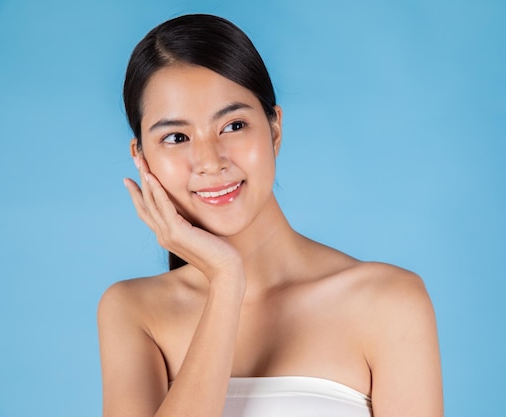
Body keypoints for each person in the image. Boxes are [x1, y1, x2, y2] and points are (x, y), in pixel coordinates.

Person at [98, 13, 443, 417]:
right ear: (141, 157)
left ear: (274, 129)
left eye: (234, 125)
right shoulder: (134, 311)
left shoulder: (388, 302)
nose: (210, 162)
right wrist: (227, 280)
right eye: (176, 137)